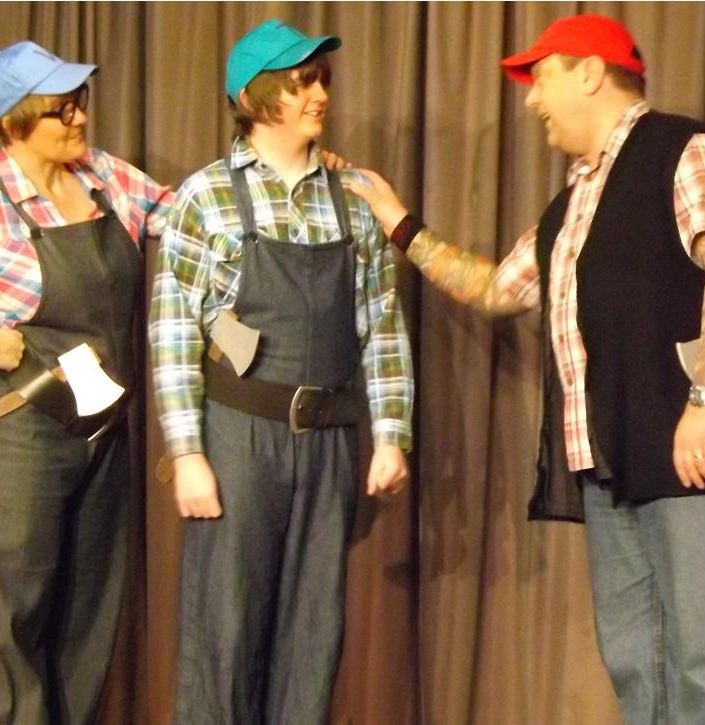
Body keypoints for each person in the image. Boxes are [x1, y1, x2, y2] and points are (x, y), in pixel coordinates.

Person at [350, 14, 705, 725]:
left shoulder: (685, 151)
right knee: (636, 661)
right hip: (609, 461)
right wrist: (399, 223)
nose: (532, 98)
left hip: (693, 455)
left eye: (541, 78)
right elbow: (495, 289)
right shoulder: (571, 204)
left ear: (590, 72)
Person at [149, 18, 414, 725]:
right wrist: (188, 453)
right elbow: (173, 332)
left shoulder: (352, 197)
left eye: (319, 79)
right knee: (225, 629)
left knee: (312, 633)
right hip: (239, 435)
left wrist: (391, 434)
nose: (318, 93)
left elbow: (382, 326)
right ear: (254, 97)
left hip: (328, 442)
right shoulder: (206, 197)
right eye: (299, 83)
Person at [0, 41, 172, 724]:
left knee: (85, 624)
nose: (79, 118)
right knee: (3, 622)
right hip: (19, 437)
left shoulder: (105, 178)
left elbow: (182, 217)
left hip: (101, 436)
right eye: (60, 110)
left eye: (78, 103)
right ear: (14, 124)